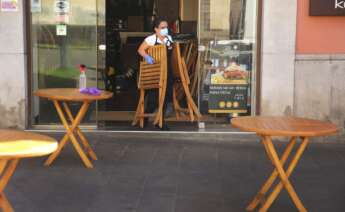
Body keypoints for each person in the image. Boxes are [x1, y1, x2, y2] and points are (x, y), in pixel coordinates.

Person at [137, 18, 174, 130]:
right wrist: (147, 57)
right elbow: (140, 50)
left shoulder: (169, 39)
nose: (165, 29)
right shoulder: (151, 39)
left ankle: (160, 121)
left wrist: (168, 41)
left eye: (166, 27)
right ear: (156, 29)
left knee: (166, 96)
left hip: (167, 70)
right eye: (162, 28)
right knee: (154, 98)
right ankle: (145, 118)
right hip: (154, 71)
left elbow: (171, 50)